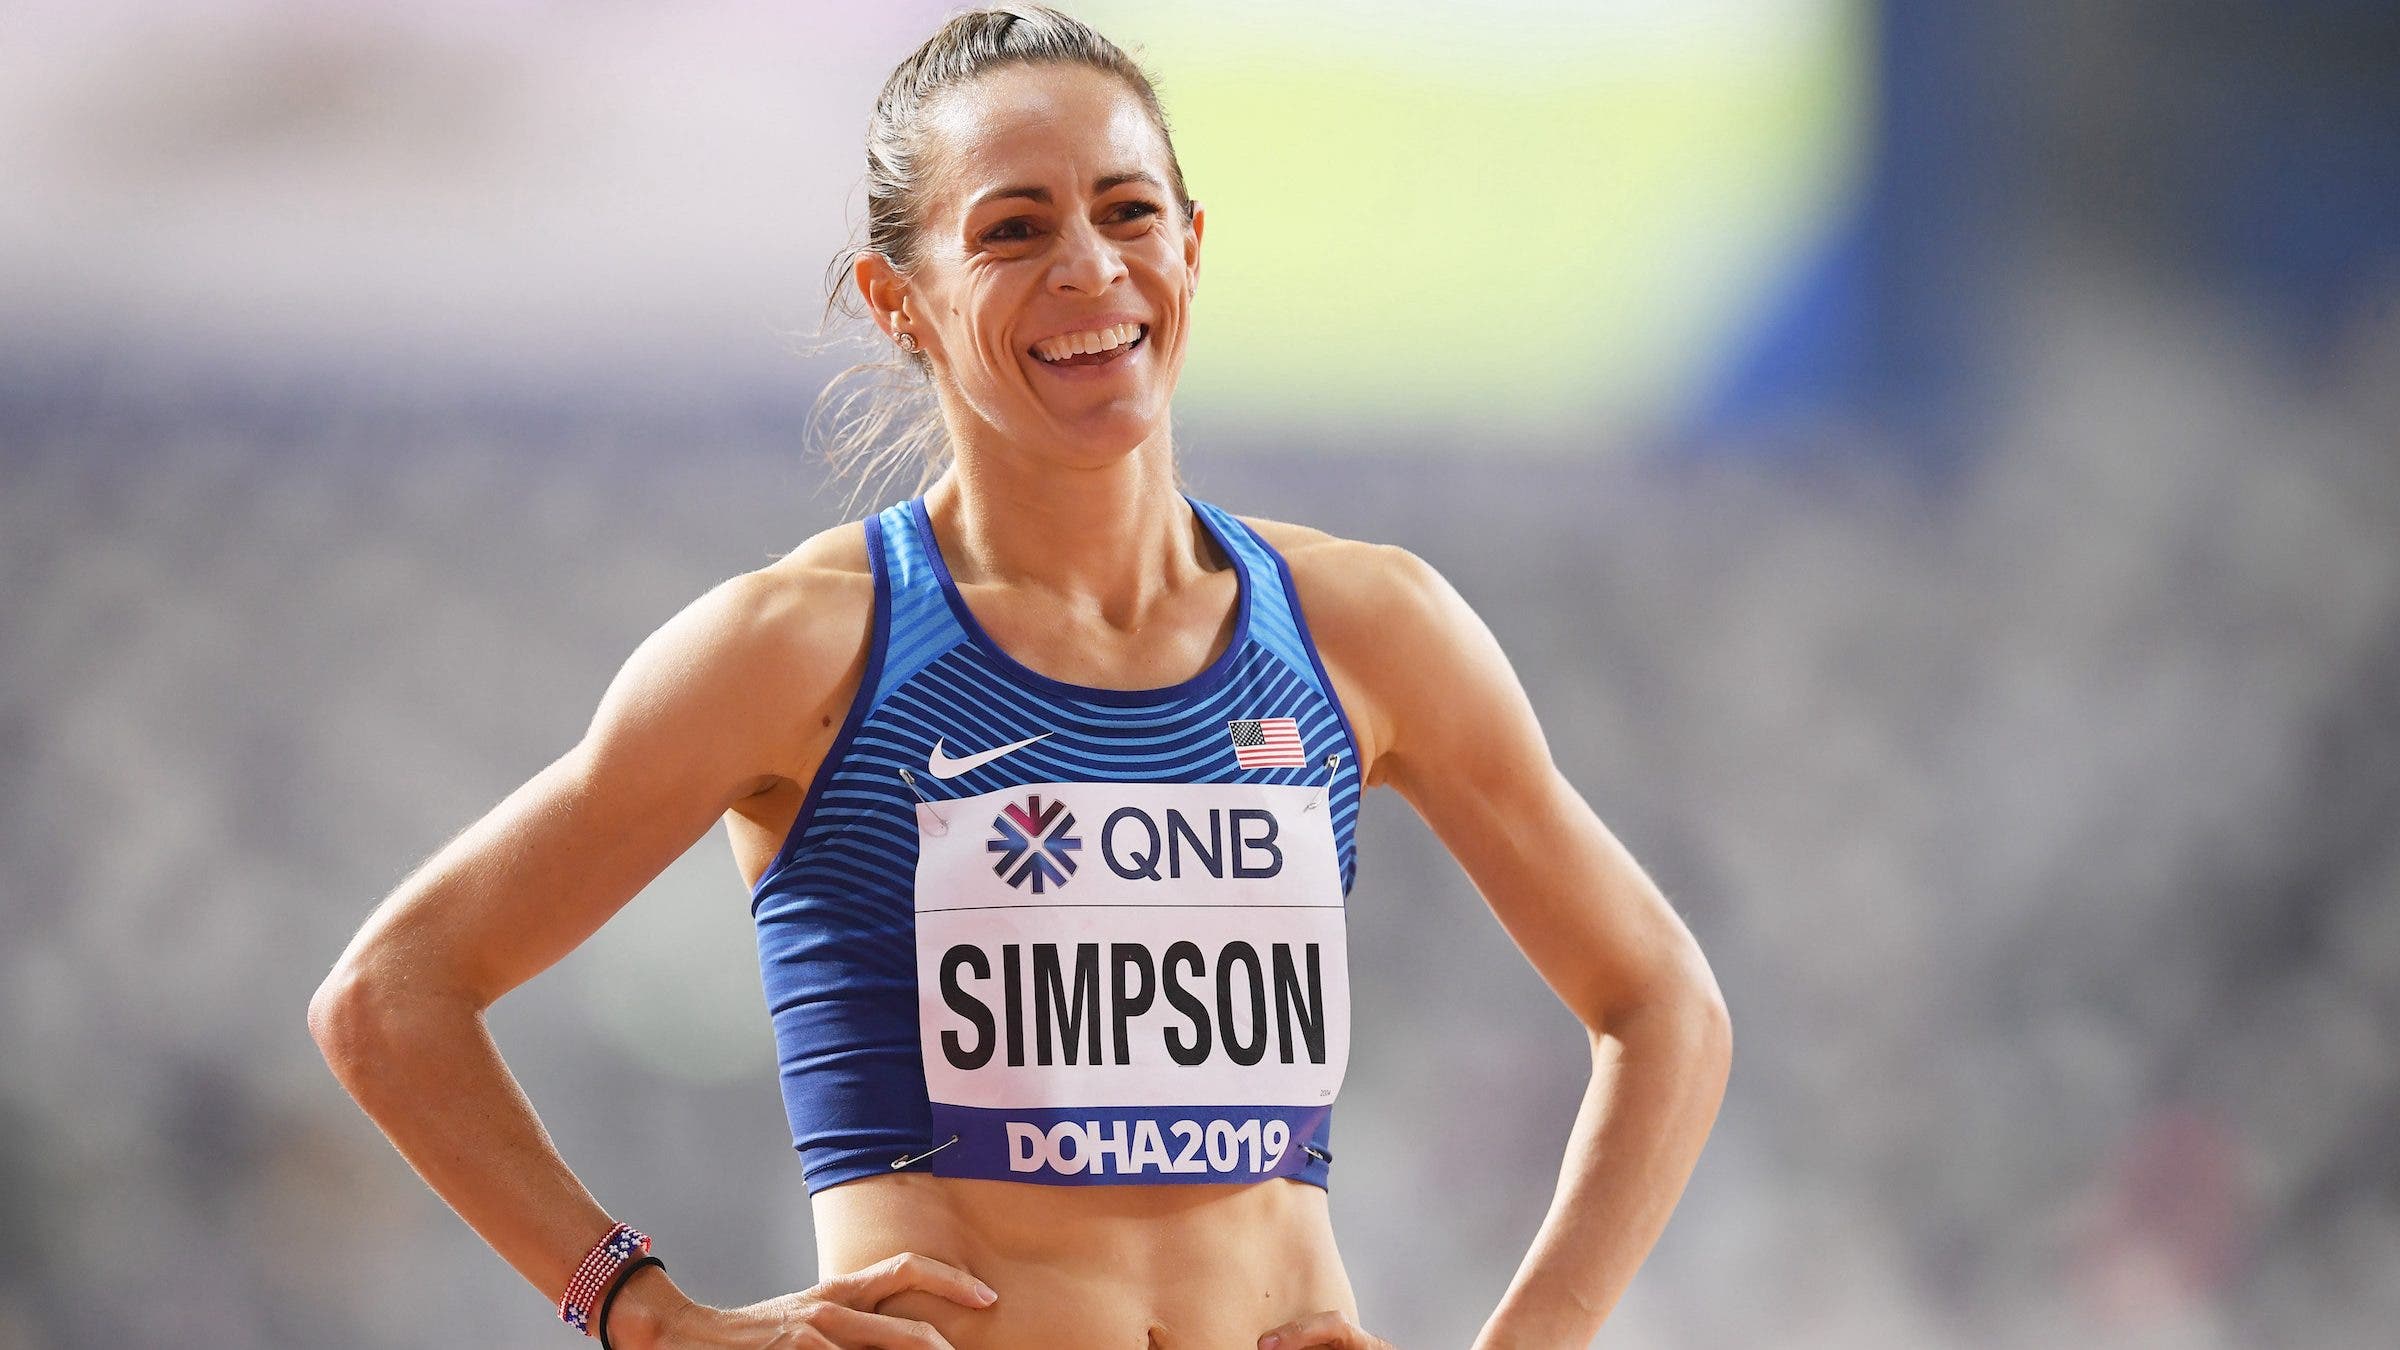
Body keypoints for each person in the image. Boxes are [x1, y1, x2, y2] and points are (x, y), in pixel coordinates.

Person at [307, 5, 1732, 1348]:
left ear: (1191, 244)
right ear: (898, 300)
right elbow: (391, 995)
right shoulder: (802, 648)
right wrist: (644, 1311)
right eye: (1013, 229)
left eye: (1127, 212)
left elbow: (1664, 1001)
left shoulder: (1365, 629)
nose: (1090, 270)